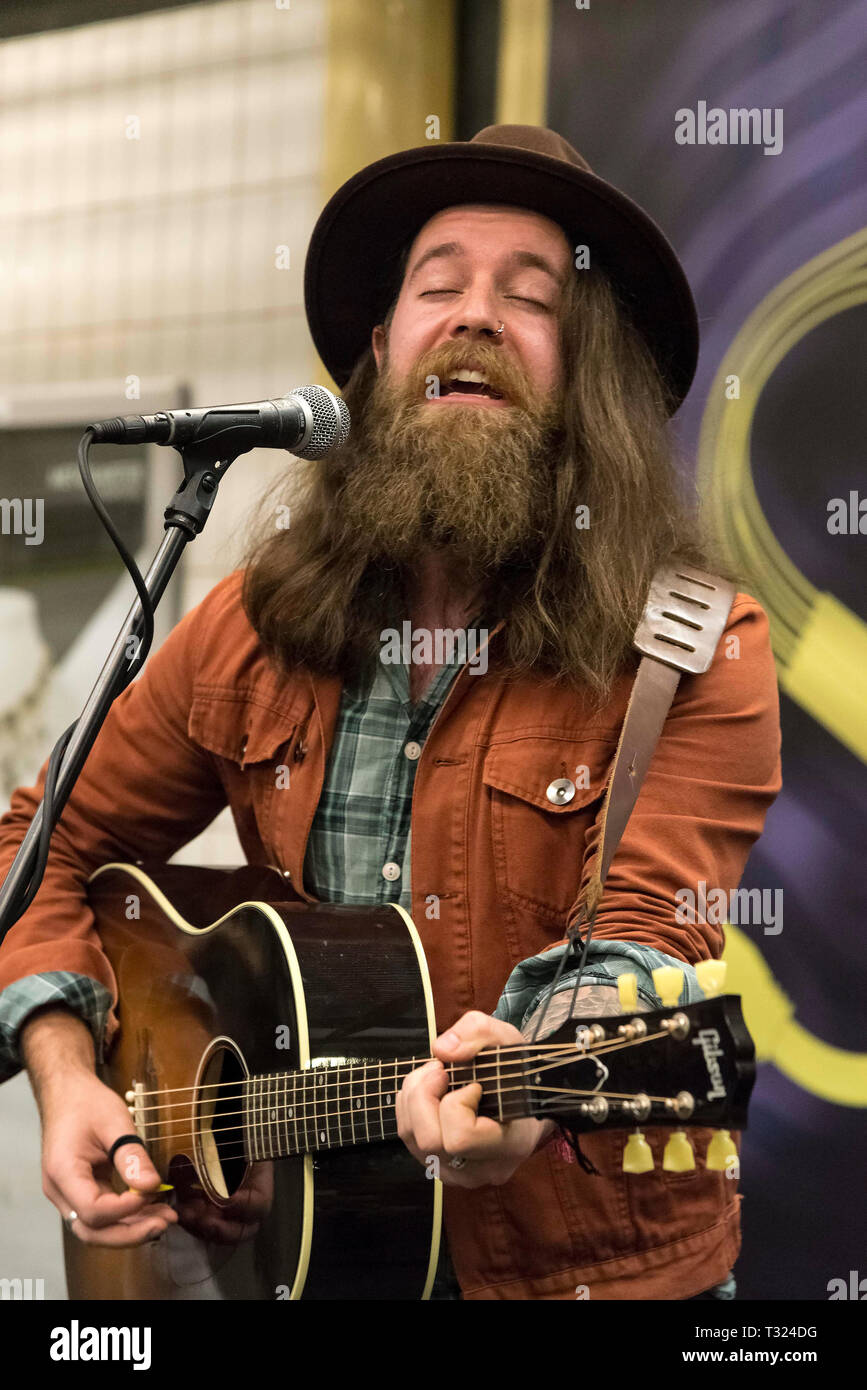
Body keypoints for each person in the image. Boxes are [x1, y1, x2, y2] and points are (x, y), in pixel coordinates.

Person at [0, 126, 781, 1300]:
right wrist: (69, 1076)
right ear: (379, 352)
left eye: (532, 298)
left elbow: (642, 944)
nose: (475, 316)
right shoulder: (253, 624)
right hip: (309, 1258)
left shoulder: (693, 647)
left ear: (594, 378)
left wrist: (531, 1079)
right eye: (439, 285)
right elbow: (43, 840)